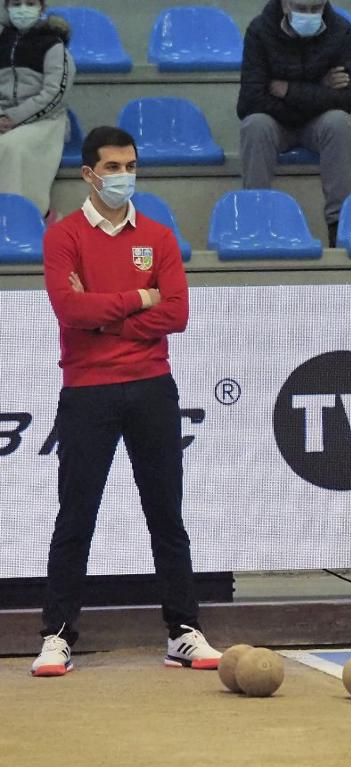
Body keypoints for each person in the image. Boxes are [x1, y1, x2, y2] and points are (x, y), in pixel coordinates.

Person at [33, 125, 221, 677]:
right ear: (89, 174)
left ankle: (183, 630)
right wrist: (140, 299)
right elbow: (70, 311)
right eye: (112, 168)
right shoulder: (63, 236)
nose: (123, 176)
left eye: (130, 165)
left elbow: (177, 313)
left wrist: (107, 315)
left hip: (152, 388)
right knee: (77, 515)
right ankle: (58, 635)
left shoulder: (159, 237)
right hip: (87, 391)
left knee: (166, 512)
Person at [238, 0, 351, 248]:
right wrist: (320, 90)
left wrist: (288, 90)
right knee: (255, 125)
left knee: (339, 123)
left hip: (317, 123)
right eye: (302, 8)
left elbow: (347, 99)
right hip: (274, 124)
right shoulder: (259, 30)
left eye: (317, 7)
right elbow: (250, 101)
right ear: (285, 4)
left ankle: (338, 228)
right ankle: (256, 222)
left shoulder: (340, 30)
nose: (310, 13)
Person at [0, 0, 74, 221]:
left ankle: (29, 217)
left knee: (11, 146)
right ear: (7, 7)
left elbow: (54, 95)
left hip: (45, 122)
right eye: (16, 3)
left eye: (30, 2)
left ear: (41, 7)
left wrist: (13, 118)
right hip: (3, 117)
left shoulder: (53, 45)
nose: (23, 8)